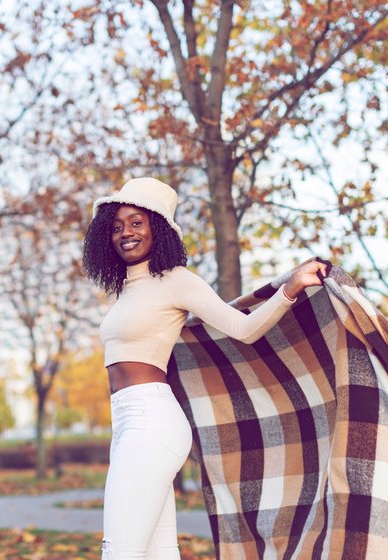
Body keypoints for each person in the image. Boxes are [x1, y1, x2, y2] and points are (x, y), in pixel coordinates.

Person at [82, 177, 328, 560]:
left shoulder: (176, 281)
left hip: (152, 420)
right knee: (157, 552)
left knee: (120, 551)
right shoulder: (126, 290)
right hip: (128, 422)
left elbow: (243, 329)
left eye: (136, 223)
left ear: (156, 229)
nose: (125, 233)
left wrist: (290, 289)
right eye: (116, 226)